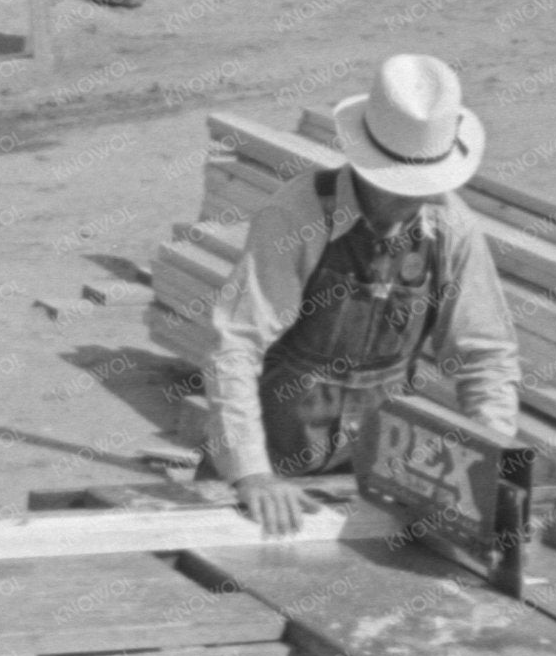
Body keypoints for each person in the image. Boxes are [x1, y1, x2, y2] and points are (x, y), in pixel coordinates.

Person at [207, 53, 523, 536]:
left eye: (426, 186)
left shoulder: (451, 229)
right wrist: (252, 472)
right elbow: (235, 345)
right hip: (272, 464)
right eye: (398, 186)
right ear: (365, 167)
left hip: (371, 474)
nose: (413, 200)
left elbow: (487, 358)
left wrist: (491, 470)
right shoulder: (297, 216)